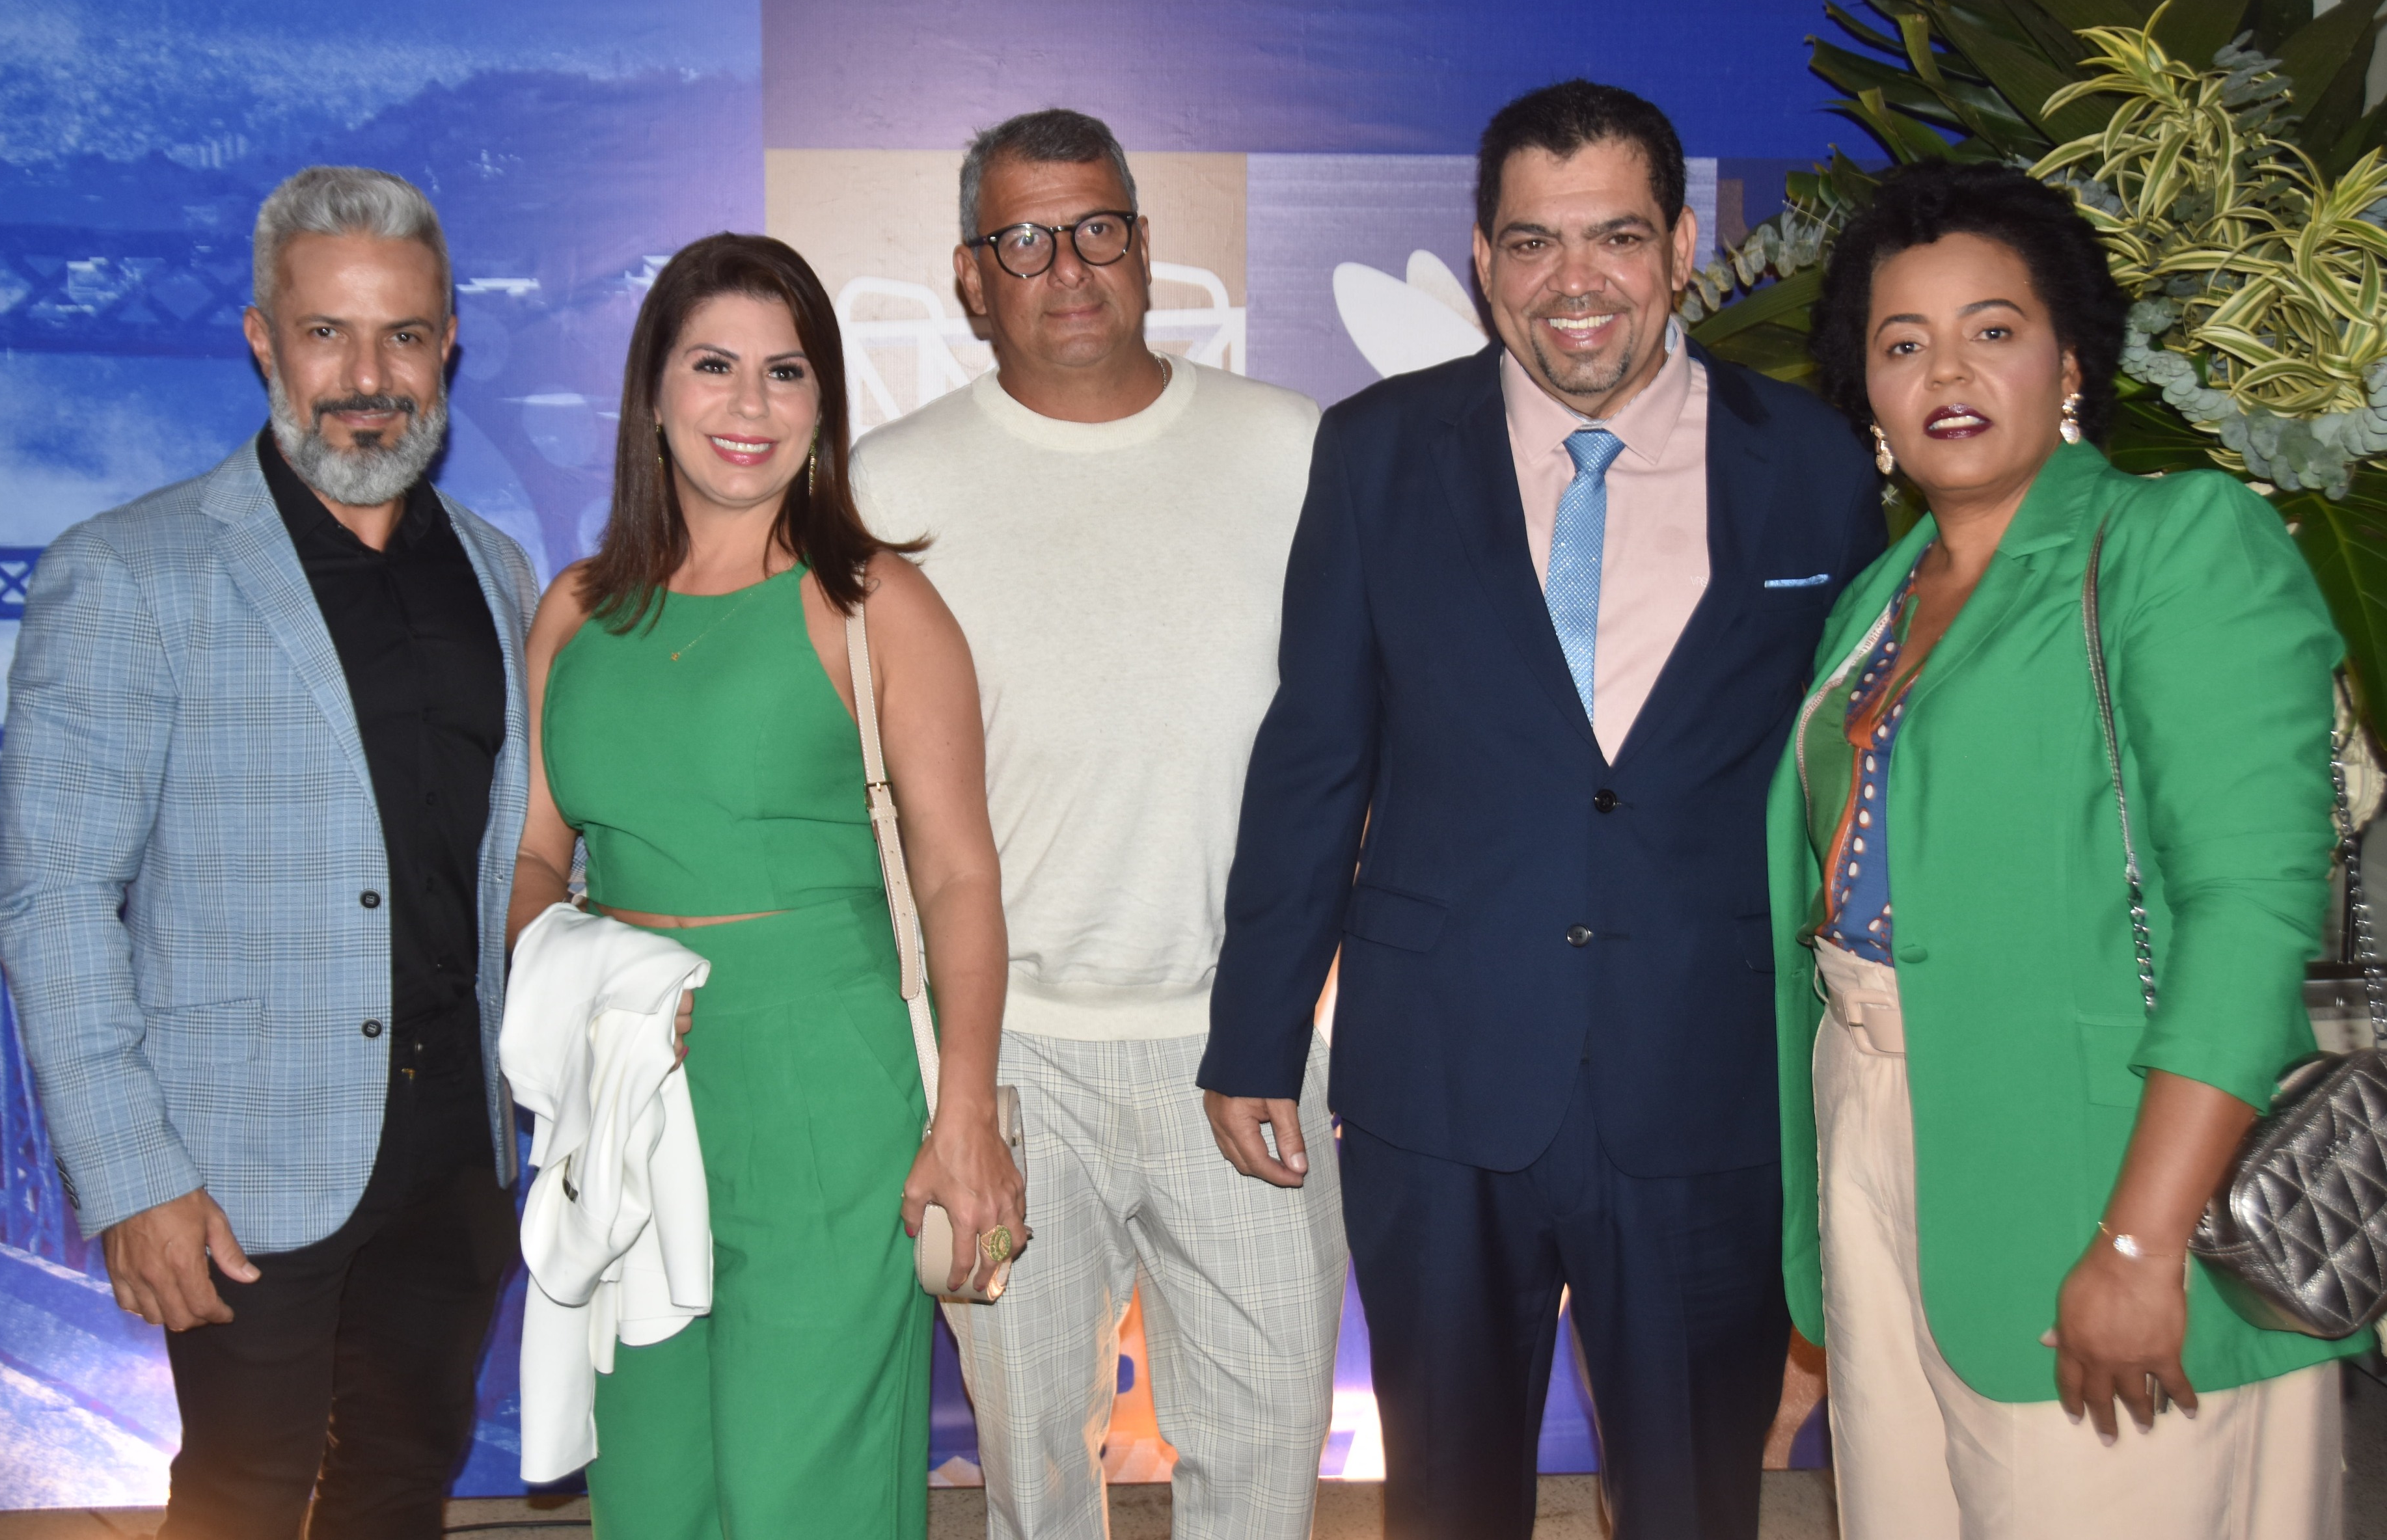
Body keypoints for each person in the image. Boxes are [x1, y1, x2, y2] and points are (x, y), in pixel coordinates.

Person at [1199, 81, 1887, 1540]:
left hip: (1708, 1080)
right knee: (1447, 1501)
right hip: (1439, 1079)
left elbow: (1857, 772)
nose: (1575, 280)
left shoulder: (1811, 461)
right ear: (1482, 260)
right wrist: (1255, 1029)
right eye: (1532, 242)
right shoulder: (1378, 449)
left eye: (1616, 236)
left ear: (1683, 246)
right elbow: (1317, 751)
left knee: (1695, 1502)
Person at [1771, 159, 2364, 1538]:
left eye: (1993, 328)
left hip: (2101, 1155)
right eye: (1902, 343)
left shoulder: (2176, 542)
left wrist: (2141, 1238)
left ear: (2071, 361)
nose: (1947, 371)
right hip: (1874, 1120)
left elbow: (2248, 905)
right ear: (1867, 395)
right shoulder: (1878, 597)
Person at [0, 167, 536, 1539]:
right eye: (325, 333)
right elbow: (55, 898)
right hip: (235, 1165)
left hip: (456, 1156)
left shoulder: (499, 570)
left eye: (403, 335)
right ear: (260, 340)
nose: (369, 378)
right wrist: (132, 1175)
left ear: (449, 343)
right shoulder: (131, 569)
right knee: (237, 1498)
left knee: (400, 1491)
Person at [853, 108, 1348, 1540]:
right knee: (1035, 1482)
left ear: (1143, 243)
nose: (1065, 266)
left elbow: (1368, 729)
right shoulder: (886, 485)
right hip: (1004, 1061)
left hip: (1248, 1044)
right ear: (969, 275)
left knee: (1264, 1470)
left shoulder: (1290, 449)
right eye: (1022, 239)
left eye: (1096, 229)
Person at [507, 231, 1024, 1538]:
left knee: (806, 1497)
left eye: (786, 372)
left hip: (824, 1088)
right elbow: (535, 856)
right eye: (714, 366)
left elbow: (959, 873)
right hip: (630, 1094)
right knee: (654, 1493)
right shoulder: (574, 611)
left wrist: (965, 1112)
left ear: (822, 403)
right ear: (652, 393)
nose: (750, 404)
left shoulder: (875, 603)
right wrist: (565, 984)